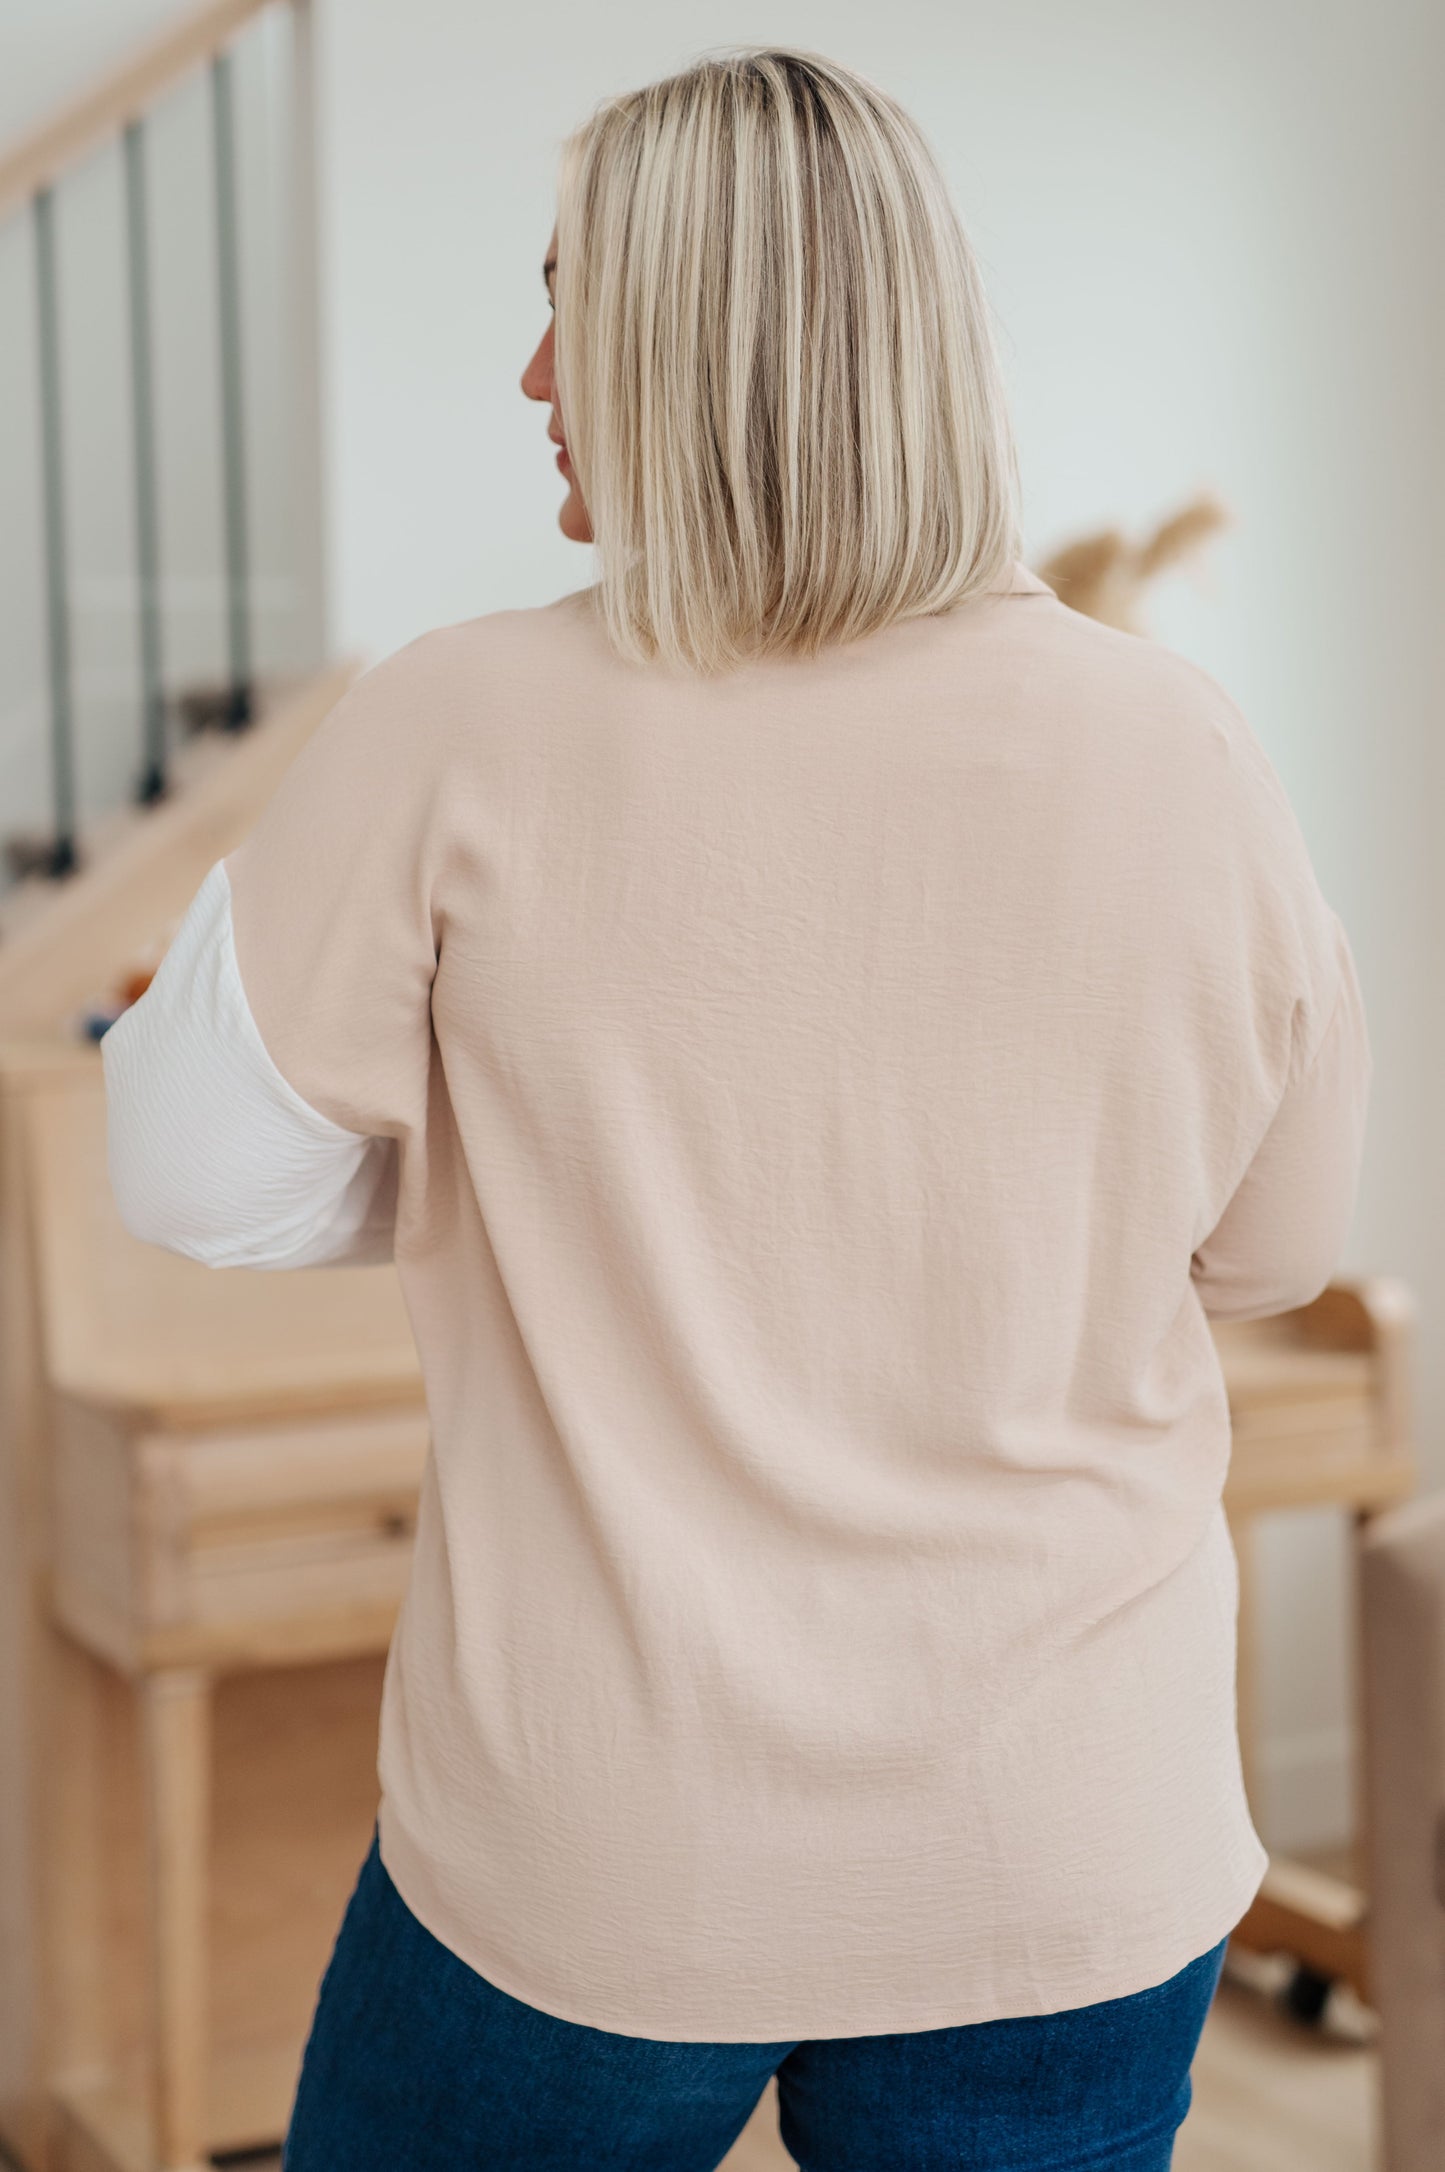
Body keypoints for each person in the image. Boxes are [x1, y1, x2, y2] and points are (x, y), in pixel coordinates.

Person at [100, 46, 1371, 2172]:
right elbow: (1269, 1251)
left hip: (600, 1868)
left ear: (698, 346)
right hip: (1065, 1849)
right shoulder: (1186, 745)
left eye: (567, 302)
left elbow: (188, 1173)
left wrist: (499, 1171)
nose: (531, 373)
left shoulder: (455, 720)